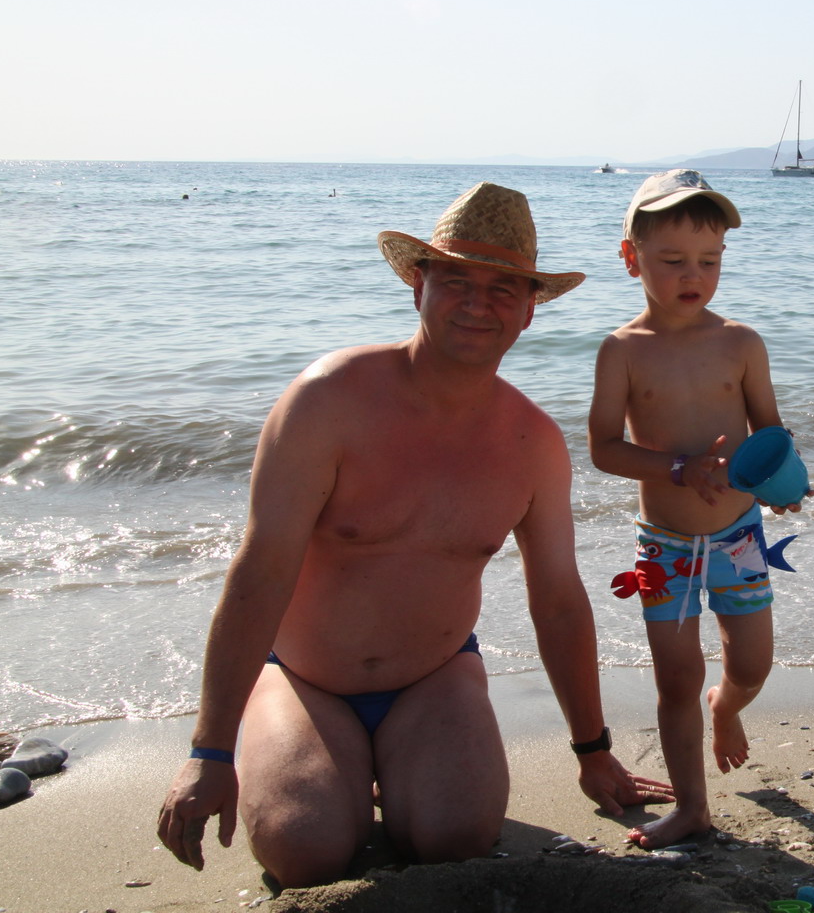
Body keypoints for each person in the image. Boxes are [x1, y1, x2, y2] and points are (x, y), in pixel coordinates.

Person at [157, 182, 672, 887]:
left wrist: (593, 749)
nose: (477, 304)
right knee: (303, 850)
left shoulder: (533, 444)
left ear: (529, 310)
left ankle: (400, 774)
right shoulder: (327, 400)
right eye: (456, 280)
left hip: (437, 677)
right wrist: (209, 751)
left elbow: (557, 600)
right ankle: (320, 763)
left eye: (502, 289)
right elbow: (261, 569)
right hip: (306, 679)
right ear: (417, 285)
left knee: (456, 840)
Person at [588, 169, 808, 849]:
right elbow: (603, 448)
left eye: (709, 261)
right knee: (676, 677)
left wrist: (784, 481)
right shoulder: (622, 351)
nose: (694, 276)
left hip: (739, 535)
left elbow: (770, 431)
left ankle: (726, 707)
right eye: (674, 260)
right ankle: (691, 808)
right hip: (665, 544)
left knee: (752, 666)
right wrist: (677, 468)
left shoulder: (740, 342)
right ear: (631, 258)